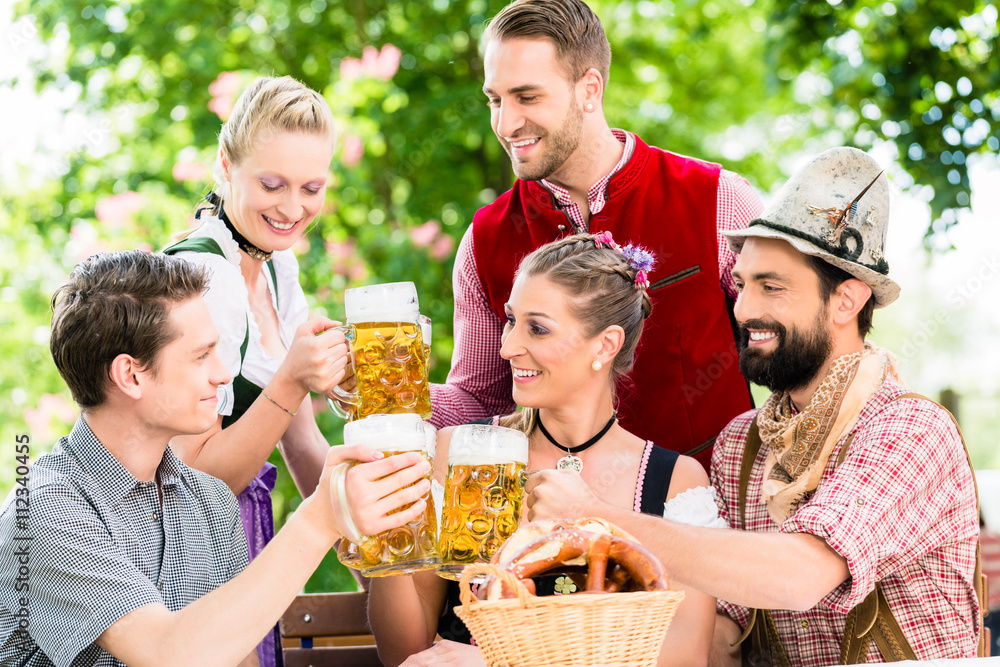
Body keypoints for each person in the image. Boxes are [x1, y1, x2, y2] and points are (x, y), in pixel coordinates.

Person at [524, 147, 984, 665]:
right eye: (742, 284)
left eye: (772, 287)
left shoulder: (910, 430)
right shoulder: (742, 443)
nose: (743, 308)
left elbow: (798, 576)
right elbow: (723, 636)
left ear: (847, 301)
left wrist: (593, 518)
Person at [0, 250, 430, 666]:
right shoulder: (43, 510)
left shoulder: (211, 501)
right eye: (201, 355)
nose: (223, 373)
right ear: (130, 375)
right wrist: (320, 518)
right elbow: (167, 655)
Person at [428, 0, 764, 470]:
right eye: (495, 100)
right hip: (557, 529)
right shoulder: (483, 239)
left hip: (708, 520)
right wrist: (393, 394)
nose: (504, 124)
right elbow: (483, 402)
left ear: (589, 89)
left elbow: (791, 358)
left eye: (527, 97)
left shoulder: (718, 201)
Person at [369, 233, 727, 667]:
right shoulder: (457, 453)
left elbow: (684, 661)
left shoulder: (674, 483)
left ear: (606, 345)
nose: (507, 347)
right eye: (510, 321)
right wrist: (388, 533)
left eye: (536, 328)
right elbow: (404, 653)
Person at [163, 75, 347, 665]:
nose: (293, 208)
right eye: (272, 184)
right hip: (184, 546)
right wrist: (293, 378)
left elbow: (298, 436)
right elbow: (192, 483)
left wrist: (382, 531)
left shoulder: (275, 269)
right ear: (225, 164)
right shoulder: (203, 279)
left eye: (311, 187)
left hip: (248, 530)